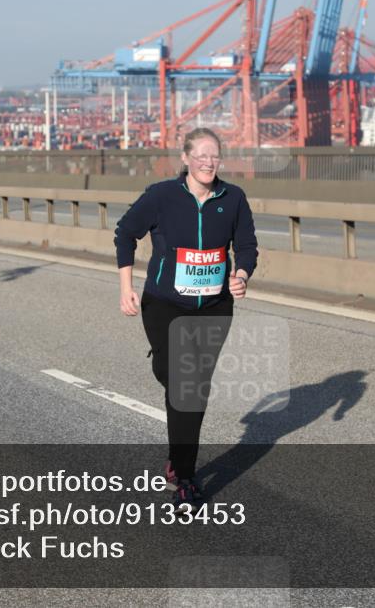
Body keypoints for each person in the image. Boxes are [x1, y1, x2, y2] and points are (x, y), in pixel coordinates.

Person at [114, 127, 258, 509]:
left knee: (191, 387)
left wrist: (241, 275)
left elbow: (246, 246)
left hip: (214, 307)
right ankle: (183, 465)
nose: (209, 163)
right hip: (165, 305)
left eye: (215, 156)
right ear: (185, 158)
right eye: (201, 156)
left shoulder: (233, 198)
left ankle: (183, 474)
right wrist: (125, 286)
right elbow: (125, 233)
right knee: (177, 377)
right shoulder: (161, 196)